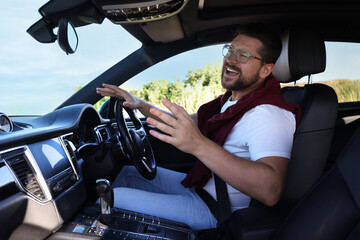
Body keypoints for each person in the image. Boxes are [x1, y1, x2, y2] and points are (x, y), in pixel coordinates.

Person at [96, 23, 301, 230]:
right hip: (200, 187)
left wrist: (198, 145)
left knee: (109, 200)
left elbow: (270, 190)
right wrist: (139, 103)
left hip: (215, 209)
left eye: (243, 55)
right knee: (129, 174)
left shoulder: (269, 114)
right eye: (230, 50)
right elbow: (182, 124)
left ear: (266, 69)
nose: (230, 59)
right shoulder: (232, 102)